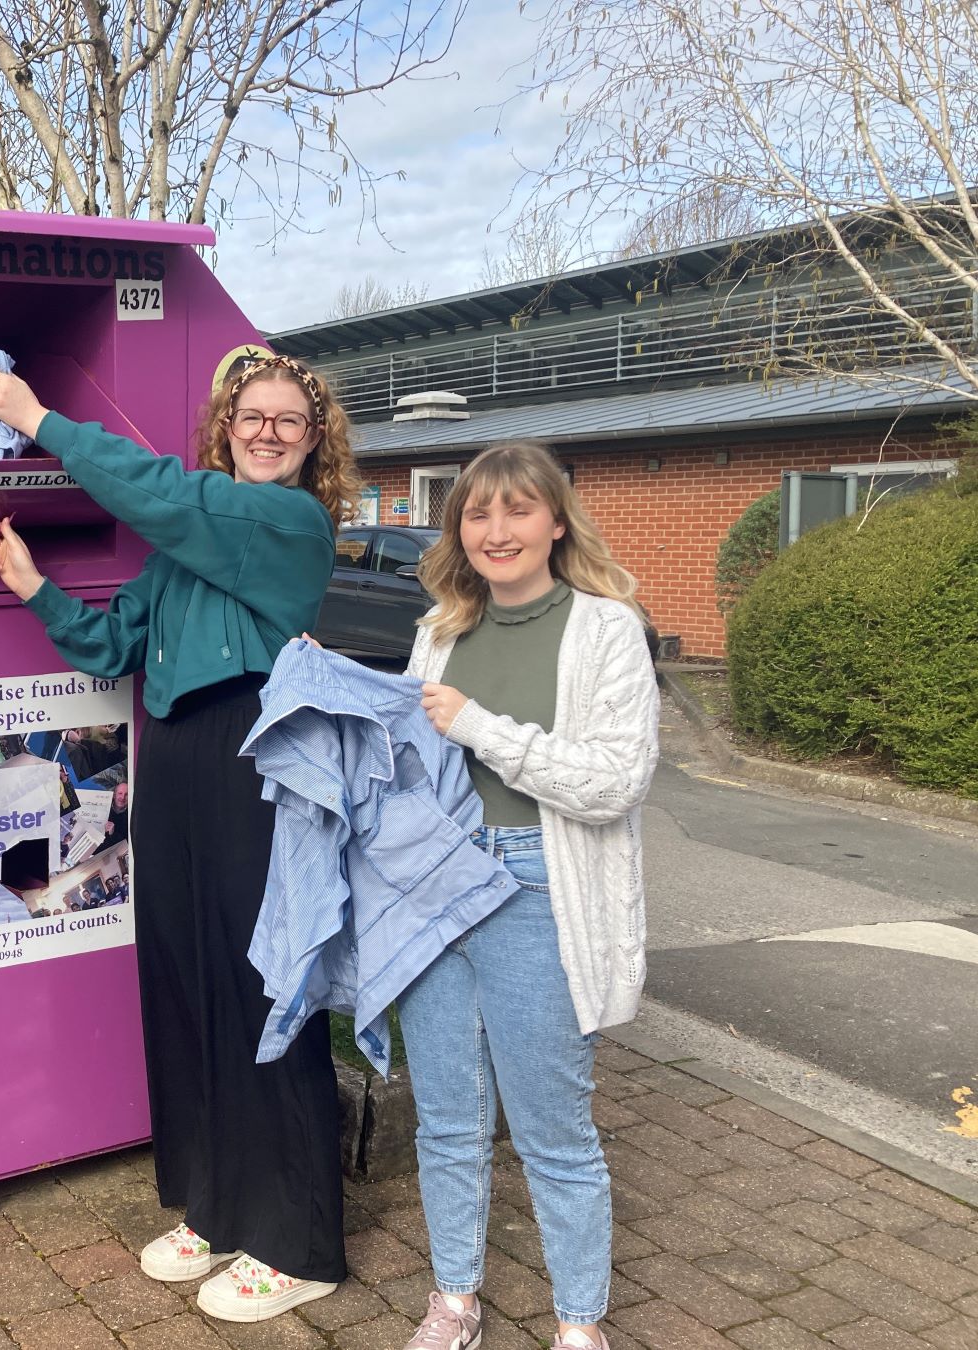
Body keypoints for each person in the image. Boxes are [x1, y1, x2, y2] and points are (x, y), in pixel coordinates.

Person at [0, 354, 361, 1322]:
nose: (268, 432)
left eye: (289, 422)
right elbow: (113, 648)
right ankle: (218, 1204)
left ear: (316, 445)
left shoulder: (291, 523)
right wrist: (31, 585)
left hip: (259, 756)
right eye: (252, 417)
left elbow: (163, 495)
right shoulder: (186, 539)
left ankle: (299, 1238)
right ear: (226, 425)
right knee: (185, 974)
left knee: (266, 983)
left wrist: (41, 420)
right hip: (179, 753)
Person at [396, 441, 659, 1350]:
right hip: (437, 885)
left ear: (555, 519)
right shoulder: (439, 630)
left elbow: (615, 781)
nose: (496, 531)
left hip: (538, 886)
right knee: (446, 1120)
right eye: (476, 513)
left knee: (552, 1129)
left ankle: (579, 1325)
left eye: (516, 511)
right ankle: (455, 1303)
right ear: (456, 528)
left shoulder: (605, 627)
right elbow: (409, 763)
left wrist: (476, 725)